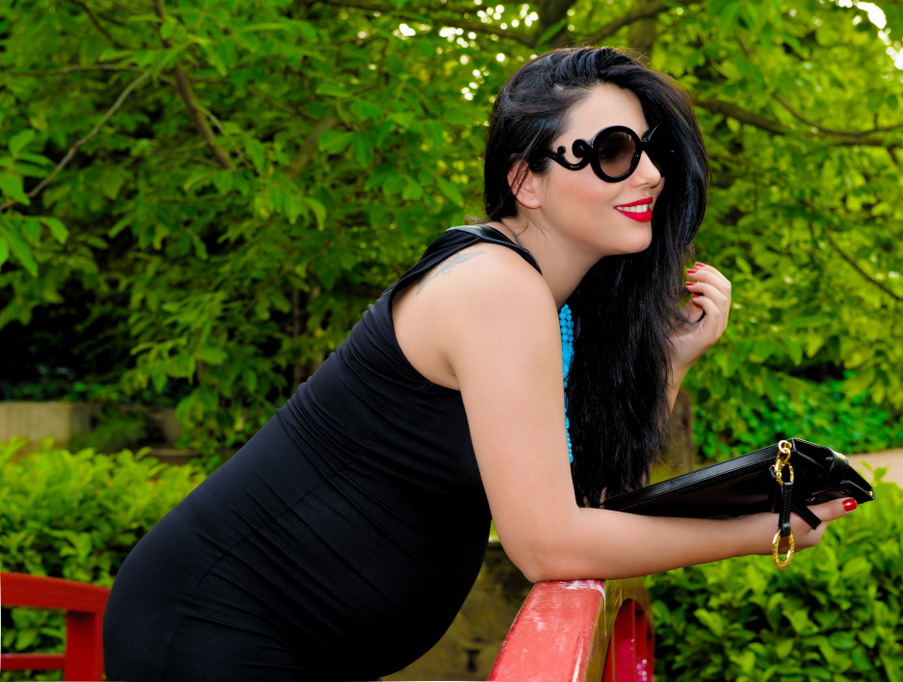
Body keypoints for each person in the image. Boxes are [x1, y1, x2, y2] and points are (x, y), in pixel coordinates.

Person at [102, 46, 857, 681]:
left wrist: (670, 365)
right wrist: (767, 529)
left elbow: (592, 506)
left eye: (651, 148)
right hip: (209, 631)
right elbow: (548, 546)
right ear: (526, 180)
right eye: (614, 152)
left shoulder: (553, 310)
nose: (652, 172)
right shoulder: (496, 287)